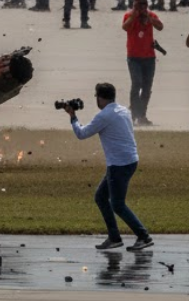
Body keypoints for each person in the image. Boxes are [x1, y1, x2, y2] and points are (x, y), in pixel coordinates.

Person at [64, 82, 154, 252]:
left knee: (118, 205)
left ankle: (143, 236)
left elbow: (81, 134)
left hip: (119, 164)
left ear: (100, 97)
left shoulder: (104, 116)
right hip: (129, 160)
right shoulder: (123, 110)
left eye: (96, 96)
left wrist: (72, 116)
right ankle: (114, 238)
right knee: (100, 197)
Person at [122, 0, 162, 125]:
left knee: (146, 87)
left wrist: (150, 18)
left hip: (149, 57)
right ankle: (134, 115)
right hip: (134, 57)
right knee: (136, 84)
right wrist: (134, 15)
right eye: (139, 4)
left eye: (145, 4)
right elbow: (125, 27)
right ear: (134, 5)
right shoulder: (129, 15)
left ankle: (141, 115)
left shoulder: (150, 15)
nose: (142, 7)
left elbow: (160, 27)